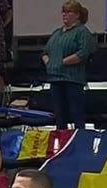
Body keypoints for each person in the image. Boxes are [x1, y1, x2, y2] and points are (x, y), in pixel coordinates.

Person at [42, 1, 95, 130]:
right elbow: (45, 52)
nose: (65, 14)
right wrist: (49, 62)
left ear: (77, 15)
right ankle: (61, 138)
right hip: (55, 78)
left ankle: (80, 138)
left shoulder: (81, 31)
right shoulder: (57, 33)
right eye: (63, 12)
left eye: (69, 12)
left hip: (72, 79)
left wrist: (63, 62)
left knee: (76, 113)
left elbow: (83, 52)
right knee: (60, 115)